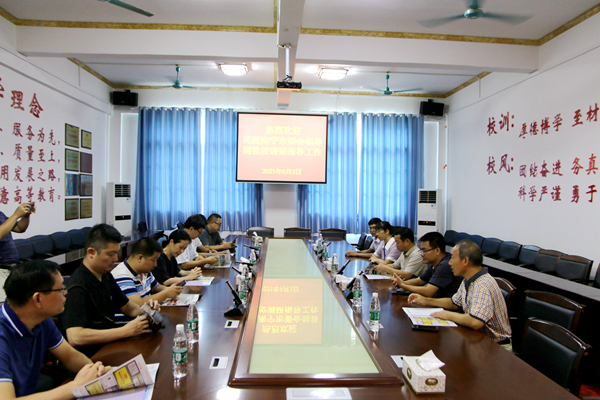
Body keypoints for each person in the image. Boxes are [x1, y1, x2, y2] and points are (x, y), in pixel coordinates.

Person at [0, 260, 111, 399]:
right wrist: (77, 385)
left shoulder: (41, 320)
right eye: (60, 289)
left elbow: (69, 356)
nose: (66, 292)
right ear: (38, 299)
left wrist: (98, 372)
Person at [58, 224, 160, 357]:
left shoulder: (105, 275)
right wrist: (125, 331)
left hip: (110, 345)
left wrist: (146, 309)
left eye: (116, 253)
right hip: (91, 356)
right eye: (111, 254)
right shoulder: (77, 286)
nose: (116, 259)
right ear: (91, 252)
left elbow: (128, 307)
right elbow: (75, 337)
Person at [408, 240, 512, 350]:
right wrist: (427, 300)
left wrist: (447, 315)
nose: (450, 263)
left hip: (496, 347)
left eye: (453, 258)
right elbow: (454, 303)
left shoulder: (482, 284)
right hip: (477, 339)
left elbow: (475, 322)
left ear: (465, 261)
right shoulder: (468, 280)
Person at [111, 237, 183, 307]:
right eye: (153, 260)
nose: (155, 265)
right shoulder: (122, 275)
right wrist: (166, 294)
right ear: (140, 258)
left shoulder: (145, 271)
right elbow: (137, 304)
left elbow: (156, 287)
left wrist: (170, 290)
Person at [392, 231, 462, 298]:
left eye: (425, 251)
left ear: (437, 250)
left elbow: (428, 292)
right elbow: (419, 281)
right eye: (422, 251)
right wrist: (402, 282)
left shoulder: (444, 265)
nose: (422, 254)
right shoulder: (434, 263)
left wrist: (403, 285)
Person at [0, 203, 35, 302]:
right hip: (1, 270)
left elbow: (20, 228)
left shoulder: (0, 214)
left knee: (16, 302)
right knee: (4, 304)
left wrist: (25, 216)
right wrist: (15, 215)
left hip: (12, 269)